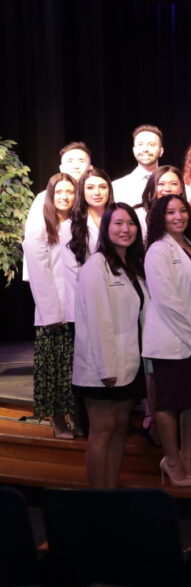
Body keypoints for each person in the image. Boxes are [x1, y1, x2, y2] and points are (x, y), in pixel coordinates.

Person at [73, 203, 148, 488]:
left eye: (130, 223)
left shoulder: (131, 266)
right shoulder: (96, 266)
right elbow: (97, 320)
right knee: (102, 430)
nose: (125, 229)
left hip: (128, 362)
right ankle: (98, 496)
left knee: (119, 430)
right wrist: (105, 367)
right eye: (117, 223)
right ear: (106, 228)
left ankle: (111, 491)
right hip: (101, 366)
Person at [143, 195, 191, 487]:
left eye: (183, 211)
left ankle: (187, 457)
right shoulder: (157, 251)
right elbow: (167, 300)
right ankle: (170, 460)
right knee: (169, 404)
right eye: (171, 212)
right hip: (172, 341)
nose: (179, 217)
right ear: (161, 217)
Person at [23, 173, 77, 439]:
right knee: (55, 368)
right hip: (53, 311)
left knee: (75, 368)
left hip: (78, 308)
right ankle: (57, 419)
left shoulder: (79, 224)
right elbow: (39, 272)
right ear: (50, 196)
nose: (65, 197)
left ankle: (75, 416)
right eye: (60, 192)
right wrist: (52, 313)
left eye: (70, 192)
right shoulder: (41, 226)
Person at [60, 169, 114, 335]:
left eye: (102, 187)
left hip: (120, 294)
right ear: (81, 192)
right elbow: (73, 271)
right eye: (90, 188)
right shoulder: (69, 226)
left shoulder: (120, 220)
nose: (97, 192)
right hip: (87, 300)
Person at [23, 141, 92, 242]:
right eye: (70, 161)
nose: (75, 166)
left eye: (81, 161)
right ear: (61, 168)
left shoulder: (96, 196)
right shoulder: (45, 197)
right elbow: (33, 240)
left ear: (90, 168)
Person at [112, 124, 164, 208]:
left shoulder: (174, 185)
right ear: (134, 150)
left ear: (161, 151)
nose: (145, 149)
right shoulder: (117, 187)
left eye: (151, 144)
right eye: (140, 144)